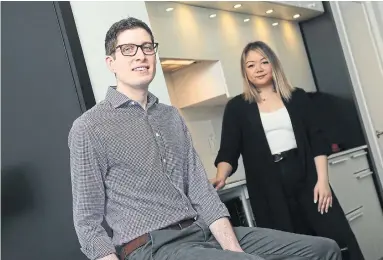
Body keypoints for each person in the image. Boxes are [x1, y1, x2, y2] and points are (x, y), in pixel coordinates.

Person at [68, 18, 342, 260]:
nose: (140, 55)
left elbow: (201, 190)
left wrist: (233, 248)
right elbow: (87, 222)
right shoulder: (89, 127)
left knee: (324, 249)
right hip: (152, 247)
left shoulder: (170, 116)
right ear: (110, 62)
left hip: (202, 232)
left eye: (147, 47)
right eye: (128, 49)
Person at [212, 41, 364, 260]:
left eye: (264, 62)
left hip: (307, 177)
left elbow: (316, 141)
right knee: (291, 248)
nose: (259, 68)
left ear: (274, 64)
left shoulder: (297, 97)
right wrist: (220, 175)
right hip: (268, 189)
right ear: (244, 72)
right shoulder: (237, 108)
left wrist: (322, 181)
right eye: (251, 65)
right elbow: (228, 151)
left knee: (335, 237)